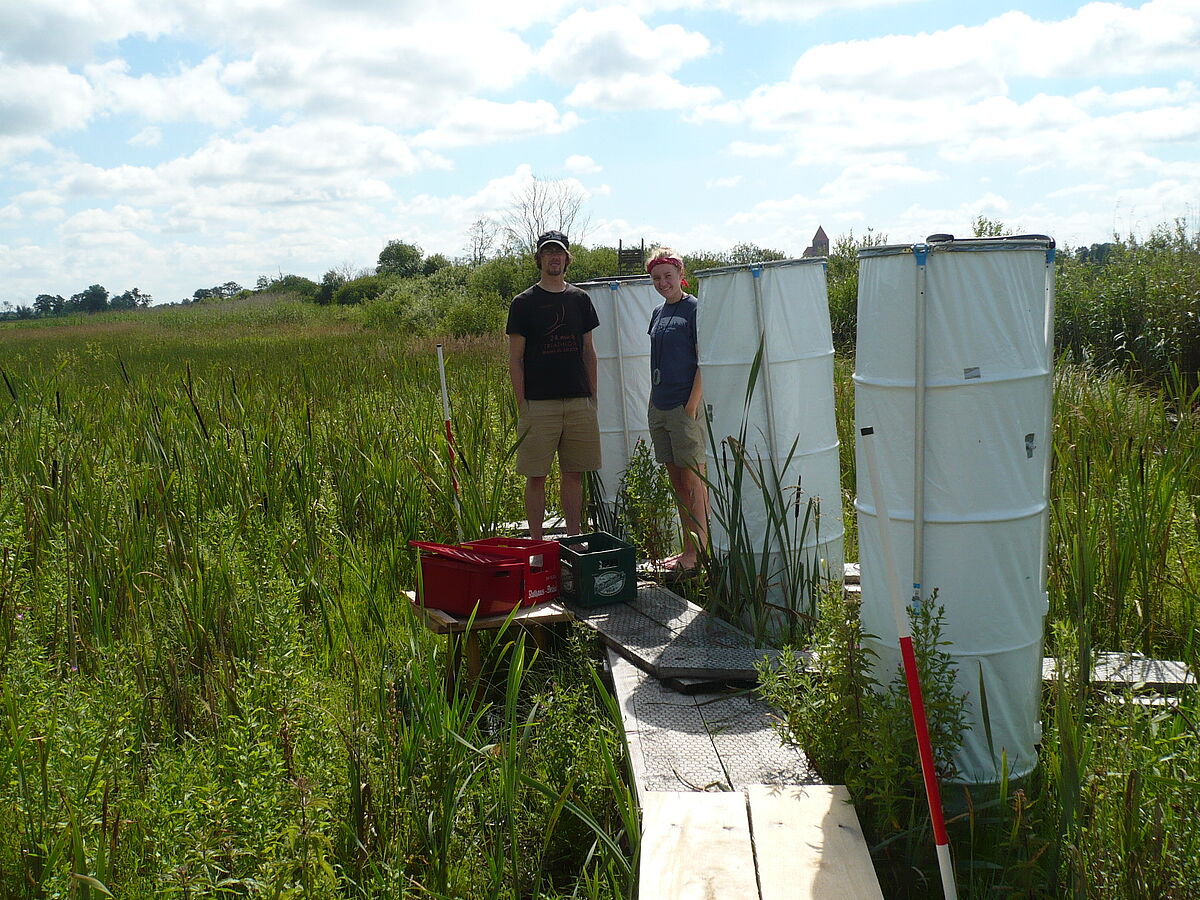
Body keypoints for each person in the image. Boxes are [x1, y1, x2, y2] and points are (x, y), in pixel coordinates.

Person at [506, 230, 600, 540]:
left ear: (567, 258)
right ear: (539, 259)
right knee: (536, 477)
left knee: (573, 475)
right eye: (548, 253)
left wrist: (592, 398)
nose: (554, 258)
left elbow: (589, 352)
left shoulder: (580, 300)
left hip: (578, 402)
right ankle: (536, 543)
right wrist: (524, 405)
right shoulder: (523, 303)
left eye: (558, 253)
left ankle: (574, 539)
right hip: (539, 404)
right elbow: (515, 359)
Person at [645, 247, 709, 575]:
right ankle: (687, 548)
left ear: (679, 273)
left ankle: (699, 553)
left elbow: (703, 361)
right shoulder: (658, 313)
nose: (662, 283)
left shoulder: (694, 309)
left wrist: (691, 405)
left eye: (667, 276)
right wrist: (654, 402)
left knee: (693, 480)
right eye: (656, 278)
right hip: (660, 405)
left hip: (684, 407)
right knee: (676, 481)